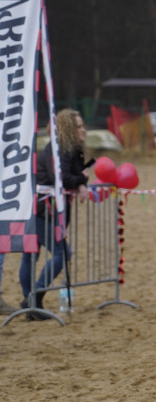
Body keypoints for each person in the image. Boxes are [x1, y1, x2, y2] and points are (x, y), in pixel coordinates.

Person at [20, 109, 90, 319]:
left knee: (31, 255)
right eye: (78, 126)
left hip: (44, 210)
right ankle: (34, 296)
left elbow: (73, 175)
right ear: (69, 129)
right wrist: (82, 181)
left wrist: (82, 179)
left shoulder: (68, 150)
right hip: (41, 211)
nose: (83, 130)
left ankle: (30, 304)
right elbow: (64, 179)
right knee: (61, 253)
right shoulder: (58, 150)